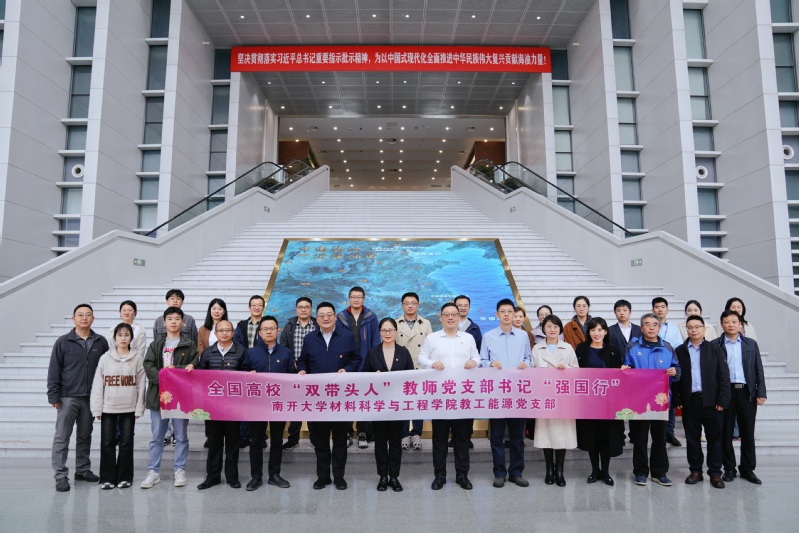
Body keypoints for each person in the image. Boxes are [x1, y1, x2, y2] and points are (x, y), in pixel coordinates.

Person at [297, 302, 361, 491]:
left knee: (340, 440)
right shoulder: (309, 339)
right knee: (320, 440)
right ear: (316, 318)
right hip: (318, 400)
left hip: (340, 398)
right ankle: (323, 476)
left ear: (335, 317)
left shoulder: (347, 337)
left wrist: (347, 369)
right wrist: (302, 370)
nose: (325, 318)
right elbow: (303, 360)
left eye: (329, 315)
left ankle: (339, 477)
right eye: (321, 315)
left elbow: (356, 358)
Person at [48, 303, 110, 492]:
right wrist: (53, 395)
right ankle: (60, 475)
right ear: (73, 318)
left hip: (90, 398)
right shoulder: (63, 342)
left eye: (88, 315)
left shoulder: (101, 342)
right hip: (67, 397)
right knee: (62, 437)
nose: (84, 318)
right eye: (80, 315)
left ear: (93, 318)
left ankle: (82, 470)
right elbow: (54, 369)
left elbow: (106, 370)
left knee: (85, 436)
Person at [419, 302, 480, 491]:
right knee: (439, 438)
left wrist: (473, 362)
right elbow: (421, 358)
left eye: (454, 314)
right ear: (441, 318)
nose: (451, 317)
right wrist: (431, 364)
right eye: (447, 314)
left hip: (463, 396)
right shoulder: (432, 338)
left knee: (462, 438)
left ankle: (462, 475)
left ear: (459, 317)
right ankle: (440, 475)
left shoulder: (468, 338)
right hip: (440, 397)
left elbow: (477, 357)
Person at [141, 307, 198, 489]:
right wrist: (164, 377)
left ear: (183, 322)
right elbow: (148, 365)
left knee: (181, 436)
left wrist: (178, 369)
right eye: (170, 319)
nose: (173, 321)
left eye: (177, 318)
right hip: (159, 396)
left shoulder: (190, 345)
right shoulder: (156, 345)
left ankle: (180, 469)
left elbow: (193, 367)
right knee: (157, 436)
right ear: (164, 322)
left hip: (181, 397)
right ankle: (153, 471)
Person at [621, 313, 681, 487]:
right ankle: (640, 472)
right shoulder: (633, 346)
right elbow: (626, 368)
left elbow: (677, 370)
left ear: (659, 327)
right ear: (642, 328)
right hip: (639, 401)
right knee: (640, 438)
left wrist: (674, 372)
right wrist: (625, 369)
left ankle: (659, 473)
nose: (651, 327)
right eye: (647, 324)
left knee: (660, 438)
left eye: (655, 324)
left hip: (661, 401)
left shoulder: (667, 347)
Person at [672, 315, 730, 489]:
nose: (694, 330)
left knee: (714, 439)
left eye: (697, 326)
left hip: (712, 401)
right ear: (686, 330)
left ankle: (715, 472)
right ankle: (695, 471)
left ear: (704, 329)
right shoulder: (680, 350)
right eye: (690, 327)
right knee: (692, 439)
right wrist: (677, 398)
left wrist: (722, 400)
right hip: (690, 402)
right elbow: (676, 377)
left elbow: (723, 376)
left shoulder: (715, 349)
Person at [481, 299, 532, 488]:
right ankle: (499, 473)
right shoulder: (488, 336)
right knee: (497, 436)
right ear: (497, 314)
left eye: (509, 311)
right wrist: (490, 363)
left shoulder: (523, 336)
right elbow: (482, 361)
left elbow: (528, 357)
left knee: (518, 436)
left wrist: (526, 363)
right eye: (502, 311)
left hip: (518, 392)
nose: (506, 315)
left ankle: (516, 472)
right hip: (497, 393)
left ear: (514, 313)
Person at [90, 323, 146, 489]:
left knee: (126, 442)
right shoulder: (105, 358)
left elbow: (141, 385)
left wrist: (139, 407)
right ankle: (107, 478)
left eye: (126, 335)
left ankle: (125, 477)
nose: (123, 338)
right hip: (108, 408)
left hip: (129, 408)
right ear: (114, 338)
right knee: (107, 442)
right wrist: (97, 408)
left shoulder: (137, 358)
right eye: (120, 335)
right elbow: (98, 385)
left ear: (131, 338)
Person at [241, 316, 294, 491]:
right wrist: (248, 375)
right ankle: (256, 477)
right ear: (260, 332)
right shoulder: (251, 353)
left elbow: (291, 377)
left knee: (277, 440)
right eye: (265, 329)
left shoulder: (286, 352)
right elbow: (242, 375)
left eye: (272, 328)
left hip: (279, 403)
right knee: (256, 441)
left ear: (278, 331)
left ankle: (274, 475)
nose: (269, 331)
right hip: (257, 404)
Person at [363, 317, 415, 492]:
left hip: (397, 405)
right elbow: (364, 376)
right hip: (378, 405)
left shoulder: (403, 352)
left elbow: (410, 378)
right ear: (380, 332)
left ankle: (394, 477)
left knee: (395, 442)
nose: (387, 333)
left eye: (390, 330)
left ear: (395, 332)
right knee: (380, 443)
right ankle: (382, 477)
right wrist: (373, 377)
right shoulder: (373, 352)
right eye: (384, 330)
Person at [717, 310, 767, 485]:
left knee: (747, 432)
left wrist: (761, 392)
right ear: (722, 324)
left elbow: (758, 369)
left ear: (740, 324)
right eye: (727, 322)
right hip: (726, 392)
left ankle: (747, 469)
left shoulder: (750, 344)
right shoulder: (716, 345)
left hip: (746, 392)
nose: (731, 325)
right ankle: (729, 468)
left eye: (734, 322)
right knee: (726, 433)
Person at [196, 320, 247, 490]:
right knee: (214, 443)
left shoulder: (242, 352)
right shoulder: (207, 353)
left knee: (233, 444)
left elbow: (247, 377)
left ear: (233, 333)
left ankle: (232, 477)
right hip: (213, 408)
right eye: (221, 330)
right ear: (215, 333)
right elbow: (201, 378)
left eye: (228, 330)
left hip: (234, 408)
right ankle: (212, 477)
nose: (224, 333)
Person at [575, 317, 625, 486]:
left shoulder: (613, 349)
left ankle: (606, 471)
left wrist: (623, 370)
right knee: (591, 436)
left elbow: (619, 373)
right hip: (588, 401)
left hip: (608, 403)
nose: (596, 333)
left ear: (605, 332)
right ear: (588, 332)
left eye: (600, 330)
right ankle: (595, 470)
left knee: (606, 437)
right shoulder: (581, 349)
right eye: (593, 330)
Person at [531, 315, 578, 487]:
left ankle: (560, 470)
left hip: (563, 398)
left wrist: (566, 369)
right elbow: (532, 372)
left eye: (556, 326)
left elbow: (577, 370)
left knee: (561, 436)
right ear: (543, 329)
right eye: (549, 326)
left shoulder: (567, 348)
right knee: (546, 435)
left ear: (560, 329)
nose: (552, 329)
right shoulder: (537, 349)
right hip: (544, 398)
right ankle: (549, 469)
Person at [336, 286, 379, 448]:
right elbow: (337, 341)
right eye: (353, 297)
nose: (356, 299)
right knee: (347, 400)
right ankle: (347, 432)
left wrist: (374, 363)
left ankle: (363, 433)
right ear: (349, 298)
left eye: (359, 297)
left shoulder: (371, 317)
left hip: (366, 365)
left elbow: (376, 342)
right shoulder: (341, 317)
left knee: (364, 400)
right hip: (346, 366)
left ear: (363, 299)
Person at [278, 297, 318, 450]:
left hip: (313, 372)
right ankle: (293, 439)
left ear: (311, 309)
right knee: (295, 406)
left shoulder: (317, 325)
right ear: (296, 309)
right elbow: (283, 347)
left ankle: (315, 438)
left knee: (312, 405)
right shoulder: (289, 326)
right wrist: (291, 363)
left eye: (307, 307)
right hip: (294, 372)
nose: (303, 309)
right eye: (300, 307)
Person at [395, 291, 433, 451]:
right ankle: (404, 434)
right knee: (403, 402)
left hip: (420, 368)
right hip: (402, 369)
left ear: (418, 305)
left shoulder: (426, 323)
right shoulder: (396, 323)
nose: (410, 306)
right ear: (402, 305)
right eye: (407, 303)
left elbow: (431, 347)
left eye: (413, 303)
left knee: (418, 402)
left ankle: (417, 433)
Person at [234, 295, 265, 451]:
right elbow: (237, 344)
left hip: (263, 366)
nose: (256, 308)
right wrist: (250, 355)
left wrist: (258, 356)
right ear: (249, 307)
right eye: (253, 305)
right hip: (245, 365)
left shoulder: (267, 324)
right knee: (245, 402)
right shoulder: (241, 325)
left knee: (262, 404)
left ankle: (261, 437)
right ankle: (244, 436)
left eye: (259, 305)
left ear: (263, 308)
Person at [652, 297, 683, 447]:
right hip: (652, 374)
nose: (660, 309)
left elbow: (678, 348)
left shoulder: (674, 329)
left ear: (667, 310)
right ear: (653, 310)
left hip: (669, 371)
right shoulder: (648, 326)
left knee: (670, 403)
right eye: (657, 307)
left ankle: (669, 433)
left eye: (662, 307)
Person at [453, 294, 482, 449]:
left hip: (469, 375)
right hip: (451, 375)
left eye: (466, 305)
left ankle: (467, 436)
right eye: (460, 305)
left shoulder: (475, 329)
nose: (463, 308)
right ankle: (453, 436)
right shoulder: (450, 325)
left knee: (467, 405)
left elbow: (479, 352)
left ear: (469, 308)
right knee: (452, 404)